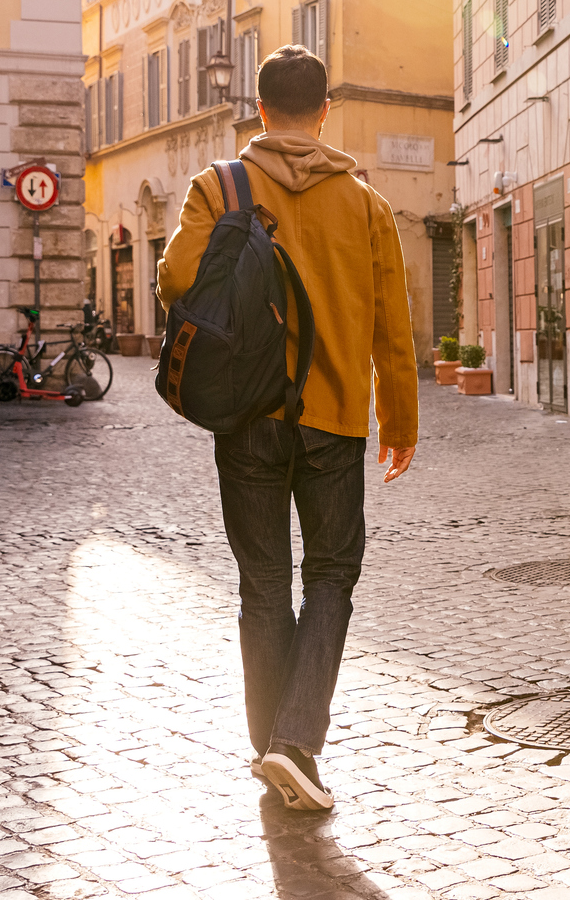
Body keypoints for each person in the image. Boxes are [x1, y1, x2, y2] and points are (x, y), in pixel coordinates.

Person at [155, 44, 417, 810]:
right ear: (326, 110)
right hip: (335, 420)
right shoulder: (366, 205)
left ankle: (274, 745)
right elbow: (392, 327)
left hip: (248, 413)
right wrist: (397, 418)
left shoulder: (218, 186)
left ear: (261, 110)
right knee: (333, 575)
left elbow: (175, 279)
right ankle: (294, 744)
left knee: (262, 584)